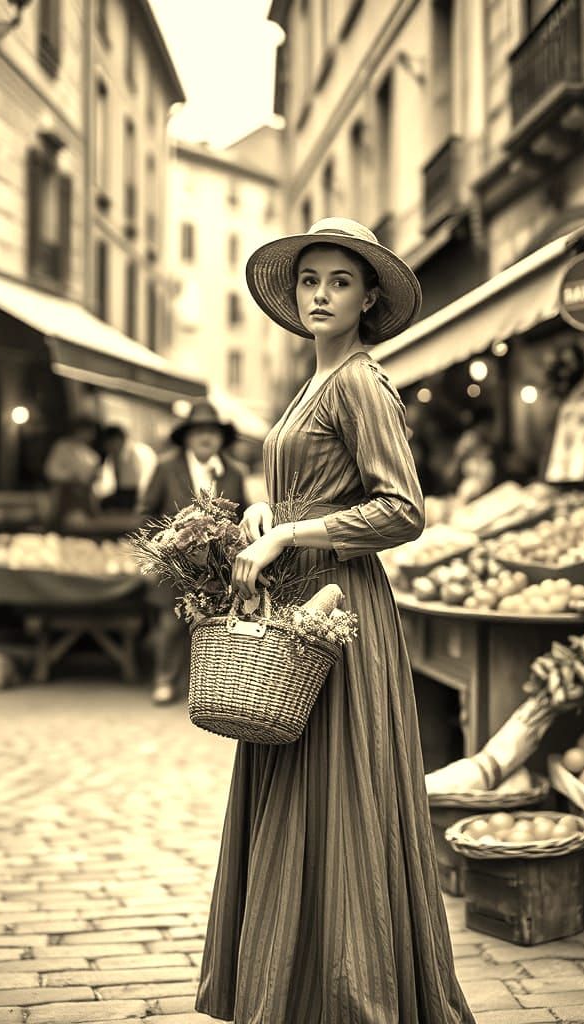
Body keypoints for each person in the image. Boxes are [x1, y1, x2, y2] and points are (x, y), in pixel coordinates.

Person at [196, 218, 474, 1023]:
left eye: (340, 282)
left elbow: (401, 509)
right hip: (299, 605)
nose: (321, 294)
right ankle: (294, 990)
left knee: (342, 798)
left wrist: (293, 531)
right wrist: (264, 510)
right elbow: (314, 486)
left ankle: (356, 997)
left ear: (369, 298)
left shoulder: (360, 380)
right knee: (297, 791)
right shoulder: (314, 382)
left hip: (341, 614)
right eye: (310, 280)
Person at [139, 401, 247, 705]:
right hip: (172, 562)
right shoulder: (165, 466)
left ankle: (203, 688)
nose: (205, 437)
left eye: (211, 432)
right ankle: (164, 680)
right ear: (187, 437)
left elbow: (242, 516)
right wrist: (154, 550)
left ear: (221, 438)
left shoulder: (234, 472)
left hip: (216, 568)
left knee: (211, 625)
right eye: (199, 431)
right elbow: (145, 512)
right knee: (170, 624)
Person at [42, 419, 102, 529]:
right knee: (64, 528)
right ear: (77, 431)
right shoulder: (62, 447)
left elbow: (95, 479)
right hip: (65, 495)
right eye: (85, 431)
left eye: (91, 433)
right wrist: (72, 477)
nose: (88, 435)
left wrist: (93, 478)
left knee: (86, 528)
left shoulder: (92, 455)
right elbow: (51, 470)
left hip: (85, 497)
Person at [93, 425, 157, 513]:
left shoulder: (140, 452)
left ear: (118, 439)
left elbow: (147, 480)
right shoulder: (112, 455)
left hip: (141, 495)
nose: (107, 447)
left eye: (109, 444)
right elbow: (105, 483)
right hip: (122, 494)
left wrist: (142, 504)